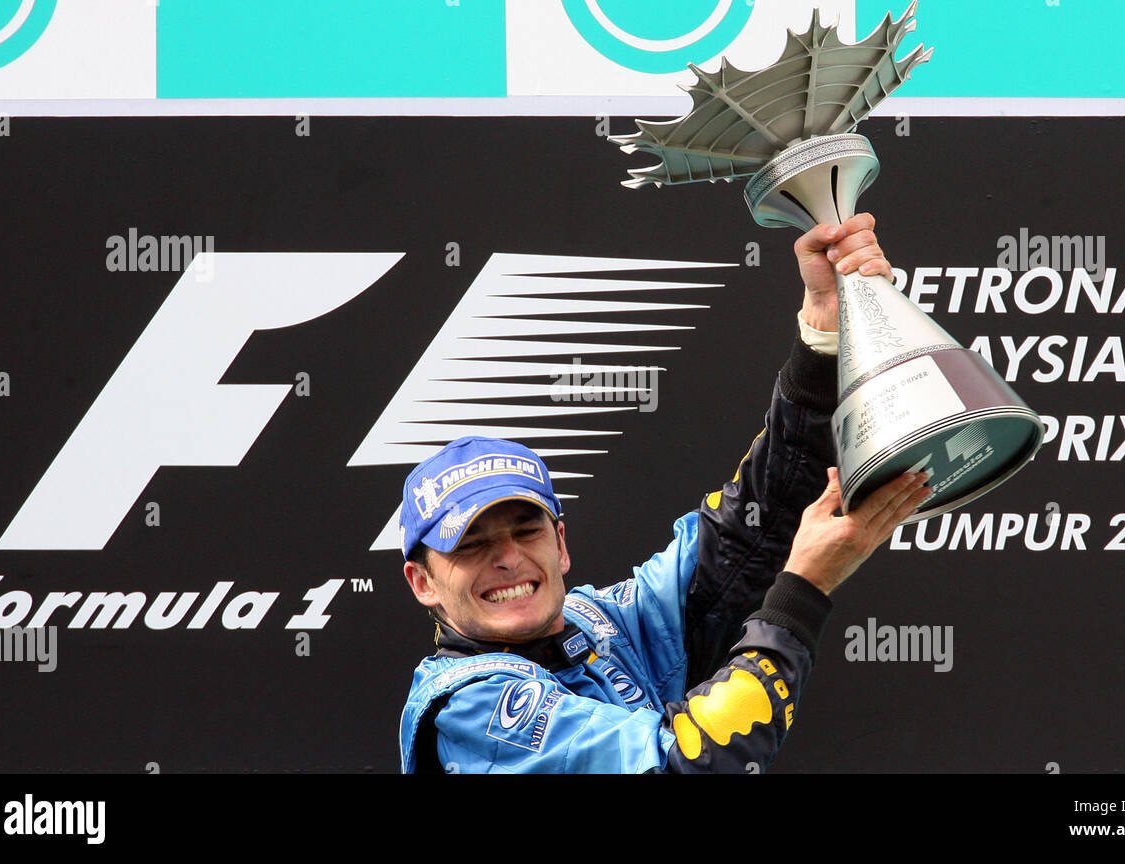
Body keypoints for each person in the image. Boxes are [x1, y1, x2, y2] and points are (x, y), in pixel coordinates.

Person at [397, 215, 931, 773]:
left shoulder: (602, 624)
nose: (507, 558)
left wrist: (823, 340)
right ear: (423, 581)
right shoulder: (470, 706)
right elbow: (695, 761)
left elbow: (747, 540)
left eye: (524, 529)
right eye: (470, 545)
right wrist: (803, 589)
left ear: (560, 543)